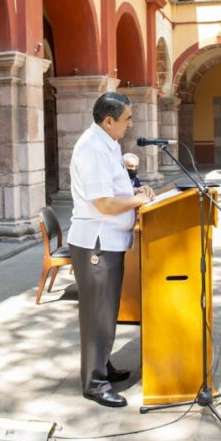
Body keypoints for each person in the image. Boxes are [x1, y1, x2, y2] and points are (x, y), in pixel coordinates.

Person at [69, 92, 155, 408]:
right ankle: (94, 383)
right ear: (109, 120)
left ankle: (102, 365)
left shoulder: (107, 144)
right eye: (127, 118)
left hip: (108, 242)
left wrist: (134, 191)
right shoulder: (92, 149)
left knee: (107, 313)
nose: (130, 124)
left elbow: (112, 190)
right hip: (96, 243)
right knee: (97, 316)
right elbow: (103, 204)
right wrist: (138, 200)